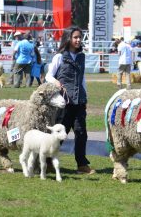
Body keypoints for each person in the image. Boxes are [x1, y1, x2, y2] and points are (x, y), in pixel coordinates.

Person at [45, 26, 95, 175]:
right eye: (75, 37)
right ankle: (48, 161)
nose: (78, 40)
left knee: (81, 133)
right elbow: (48, 76)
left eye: (80, 37)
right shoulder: (59, 57)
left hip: (79, 101)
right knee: (59, 134)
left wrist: (85, 97)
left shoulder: (81, 57)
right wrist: (56, 83)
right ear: (68, 38)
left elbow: (82, 78)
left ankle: (82, 164)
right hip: (63, 102)